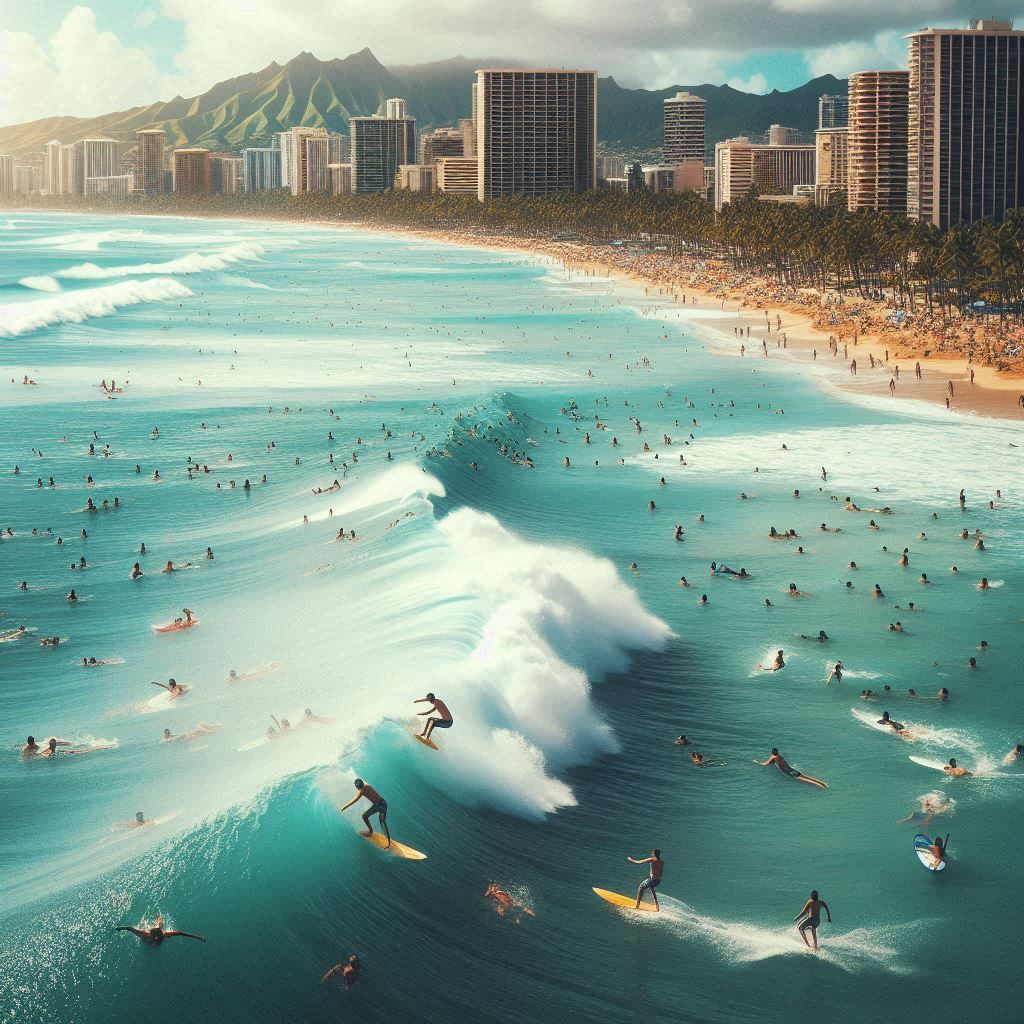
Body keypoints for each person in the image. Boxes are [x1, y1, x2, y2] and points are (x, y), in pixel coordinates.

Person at [339, 779, 390, 847]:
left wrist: (344, 807)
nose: (355, 787)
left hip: (380, 806)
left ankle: (384, 840)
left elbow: (355, 800)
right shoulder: (366, 785)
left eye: (356, 786)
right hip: (382, 803)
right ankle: (379, 836)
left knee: (378, 821)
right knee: (380, 821)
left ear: (358, 786)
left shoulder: (361, 791)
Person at [753, 748, 828, 789]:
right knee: (807, 777)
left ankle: (820, 786)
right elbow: (778, 762)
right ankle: (823, 783)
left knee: (806, 780)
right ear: (777, 752)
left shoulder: (773, 757)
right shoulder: (780, 756)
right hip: (792, 769)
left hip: (789, 772)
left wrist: (757, 762)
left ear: (772, 753)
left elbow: (765, 764)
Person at [114, 914, 205, 945]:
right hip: (147, 942)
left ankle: (159, 919)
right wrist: (119, 928)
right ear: (150, 933)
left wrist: (198, 937)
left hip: (157, 940)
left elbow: (181, 933)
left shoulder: (164, 935)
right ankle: (159, 919)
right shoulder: (143, 934)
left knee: (159, 925)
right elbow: (130, 928)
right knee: (157, 925)